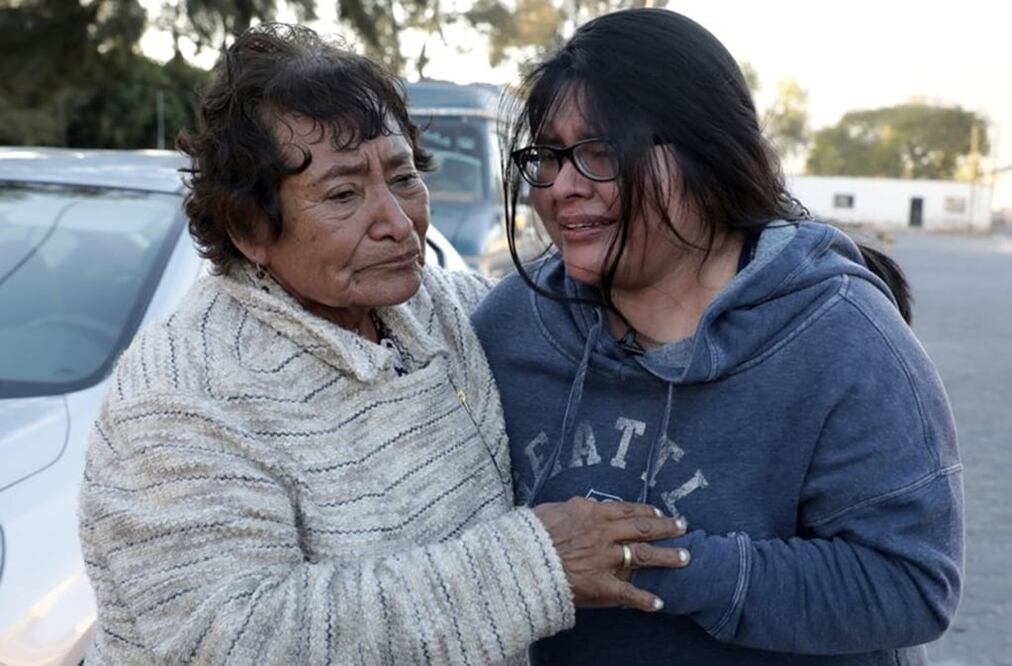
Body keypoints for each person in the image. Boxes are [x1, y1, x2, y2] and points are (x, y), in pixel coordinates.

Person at [76, 23, 692, 664]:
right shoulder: (182, 393)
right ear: (249, 227)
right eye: (343, 193)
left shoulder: (443, 309)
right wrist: (534, 566)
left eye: (402, 178)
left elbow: (631, 303)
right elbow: (230, 639)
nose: (400, 224)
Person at [472, 8, 962, 665]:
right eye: (550, 156)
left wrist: (653, 565)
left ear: (709, 157)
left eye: (600, 152)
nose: (563, 187)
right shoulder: (510, 329)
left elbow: (911, 585)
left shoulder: (842, 337)